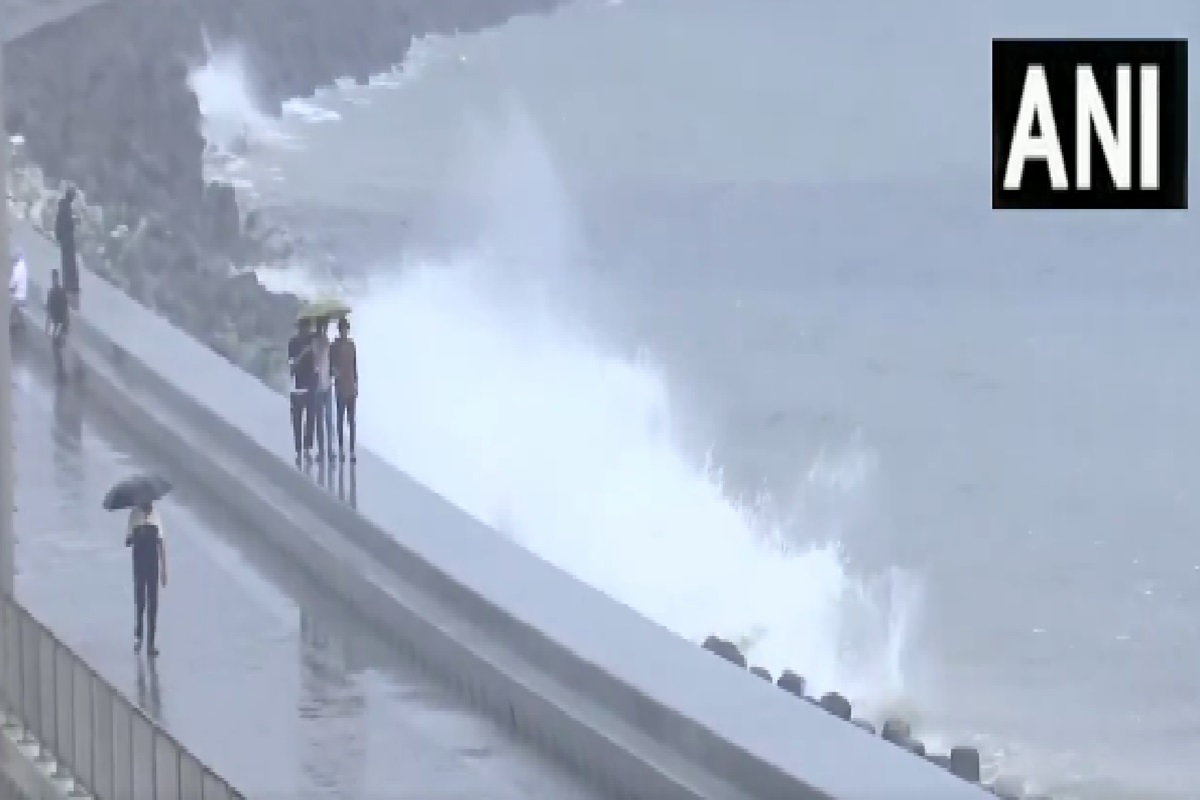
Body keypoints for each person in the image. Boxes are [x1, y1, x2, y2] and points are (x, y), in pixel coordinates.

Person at [126, 502, 168, 656]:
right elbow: (127, 540)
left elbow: (161, 542)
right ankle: (139, 636)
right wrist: (138, 533)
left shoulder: (156, 516)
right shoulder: (134, 515)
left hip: (153, 565)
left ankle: (151, 643)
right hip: (139, 563)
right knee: (140, 602)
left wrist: (164, 569)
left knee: (153, 604)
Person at [288, 318, 317, 461]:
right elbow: (292, 366)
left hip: (311, 384)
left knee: (311, 417)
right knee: (297, 418)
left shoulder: (313, 340)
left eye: (308, 328)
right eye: (304, 328)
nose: (306, 331)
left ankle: (308, 448)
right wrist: (303, 353)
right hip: (297, 385)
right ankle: (299, 448)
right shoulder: (293, 343)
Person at [331, 316, 358, 462]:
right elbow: (331, 365)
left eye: (345, 329)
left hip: (350, 386)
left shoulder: (351, 345)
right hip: (340, 387)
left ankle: (352, 451)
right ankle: (341, 449)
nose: (344, 332)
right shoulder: (334, 346)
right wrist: (334, 371)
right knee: (340, 419)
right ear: (339, 330)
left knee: (351, 421)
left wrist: (356, 384)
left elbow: (355, 366)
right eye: (342, 329)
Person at [312, 318, 335, 461]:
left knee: (327, 420)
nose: (324, 329)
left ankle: (329, 450)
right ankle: (322, 451)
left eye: (325, 326)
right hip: (318, 387)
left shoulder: (327, 343)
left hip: (326, 385)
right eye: (323, 326)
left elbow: (330, 363)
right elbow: (314, 363)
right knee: (320, 421)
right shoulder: (315, 343)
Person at [54, 187, 80, 311]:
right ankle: (69, 285)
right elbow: (66, 223)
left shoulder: (64, 206)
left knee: (69, 263)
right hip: (67, 240)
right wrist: (74, 221)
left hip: (66, 239)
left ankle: (70, 284)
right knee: (68, 263)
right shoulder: (65, 207)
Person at [45, 269, 70, 380]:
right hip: (59, 323)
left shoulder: (54, 293)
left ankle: (61, 372)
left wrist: (47, 326)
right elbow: (64, 310)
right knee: (57, 347)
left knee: (56, 348)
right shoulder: (61, 292)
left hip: (58, 324)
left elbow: (50, 311)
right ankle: (61, 371)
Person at [9, 249, 27, 330]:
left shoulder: (18, 268)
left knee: (14, 311)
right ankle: (20, 324)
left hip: (18, 294)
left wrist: (10, 288)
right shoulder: (23, 266)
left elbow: (15, 280)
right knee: (18, 310)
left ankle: (14, 326)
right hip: (22, 294)